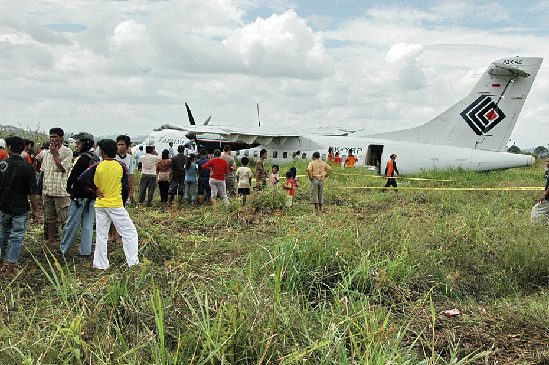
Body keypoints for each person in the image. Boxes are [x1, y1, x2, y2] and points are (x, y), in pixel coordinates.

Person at [79, 139, 139, 270]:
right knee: (130, 233)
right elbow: (125, 186)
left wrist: (94, 189)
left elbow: (82, 178)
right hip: (115, 204)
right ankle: (133, 263)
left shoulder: (97, 166)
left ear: (103, 152)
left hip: (100, 204)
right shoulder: (120, 166)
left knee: (101, 234)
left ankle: (100, 264)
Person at [0, 136, 40, 273]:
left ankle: (1, 262)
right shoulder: (27, 168)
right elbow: (32, 192)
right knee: (16, 236)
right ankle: (11, 265)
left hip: (4, 206)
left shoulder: (2, 165)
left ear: (9, 148)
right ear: (23, 148)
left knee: (3, 235)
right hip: (20, 208)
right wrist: (36, 210)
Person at [60, 132, 98, 256]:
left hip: (79, 196)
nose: (76, 145)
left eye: (78, 143)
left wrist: (69, 190)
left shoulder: (82, 158)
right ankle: (85, 251)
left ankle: (64, 249)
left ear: (85, 144)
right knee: (88, 225)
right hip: (92, 196)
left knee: (72, 223)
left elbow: (73, 177)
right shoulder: (96, 158)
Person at [41, 127, 73, 247]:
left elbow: (63, 167)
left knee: (63, 219)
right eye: (51, 137)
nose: (53, 139)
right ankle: (51, 240)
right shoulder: (47, 153)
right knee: (50, 218)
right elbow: (43, 171)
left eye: (55, 137)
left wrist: (55, 155)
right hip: (48, 190)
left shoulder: (67, 152)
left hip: (61, 191)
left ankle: (65, 241)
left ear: (61, 138)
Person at [115, 135, 135, 204]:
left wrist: (131, 189)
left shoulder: (129, 157)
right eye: (118, 144)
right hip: (114, 185)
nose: (120, 146)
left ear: (127, 145)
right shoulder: (113, 157)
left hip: (124, 185)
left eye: (122, 144)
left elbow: (130, 174)